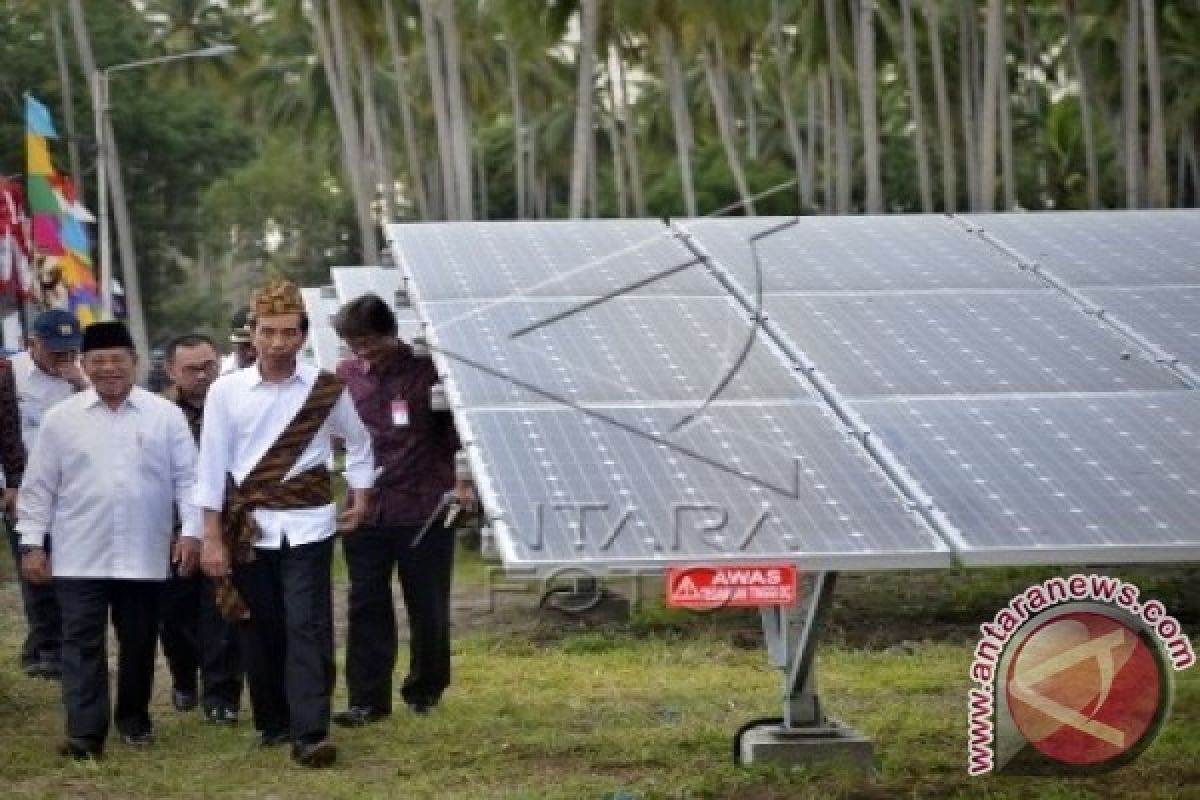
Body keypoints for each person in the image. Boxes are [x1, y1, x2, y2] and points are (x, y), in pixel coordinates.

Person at [197, 280, 373, 768]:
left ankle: (310, 733)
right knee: (260, 627)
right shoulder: (225, 392)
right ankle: (273, 721)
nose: (278, 343)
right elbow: (210, 468)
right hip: (249, 529)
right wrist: (210, 536)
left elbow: (358, 443)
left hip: (310, 527)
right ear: (251, 335)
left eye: (289, 333)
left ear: (302, 335)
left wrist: (360, 493)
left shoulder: (325, 388)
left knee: (307, 625)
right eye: (268, 332)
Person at [16, 320, 201, 760]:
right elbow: (38, 486)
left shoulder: (165, 415)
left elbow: (189, 481)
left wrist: (192, 532)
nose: (108, 369)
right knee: (81, 641)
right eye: (97, 361)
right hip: (79, 552)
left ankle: (134, 720)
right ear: (83, 365)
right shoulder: (61, 420)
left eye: (117, 360)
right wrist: (31, 543)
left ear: (134, 363)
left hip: (143, 551)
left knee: (138, 641)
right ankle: (85, 732)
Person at [330, 293, 474, 727]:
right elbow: (335, 435)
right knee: (366, 603)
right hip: (366, 508)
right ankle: (367, 700)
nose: (363, 351)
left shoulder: (429, 372)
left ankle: (426, 688)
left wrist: (463, 485)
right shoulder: (345, 376)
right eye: (354, 343)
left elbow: (457, 435)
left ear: (391, 332)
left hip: (424, 506)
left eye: (369, 341)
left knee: (427, 603)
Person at [159, 334, 244, 725]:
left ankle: (221, 696)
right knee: (175, 616)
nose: (203, 375)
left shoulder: (236, 403)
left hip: (228, 525)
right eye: (192, 369)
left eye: (208, 365)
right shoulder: (159, 415)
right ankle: (183, 678)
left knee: (222, 613)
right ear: (171, 371)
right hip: (173, 532)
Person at [8, 309, 88, 678]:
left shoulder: (82, 379)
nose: (65, 359)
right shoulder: (10, 375)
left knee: (68, 569)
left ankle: (52, 646)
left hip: (71, 488)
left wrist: (82, 384)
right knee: (35, 568)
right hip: (23, 489)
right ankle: (46, 648)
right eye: (56, 352)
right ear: (31, 345)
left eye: (71, 351)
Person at [219, 306, 256, 375]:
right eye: (245, 346)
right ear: (235, 345)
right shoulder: (220, 374)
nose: (251, 354)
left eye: (256, 347)